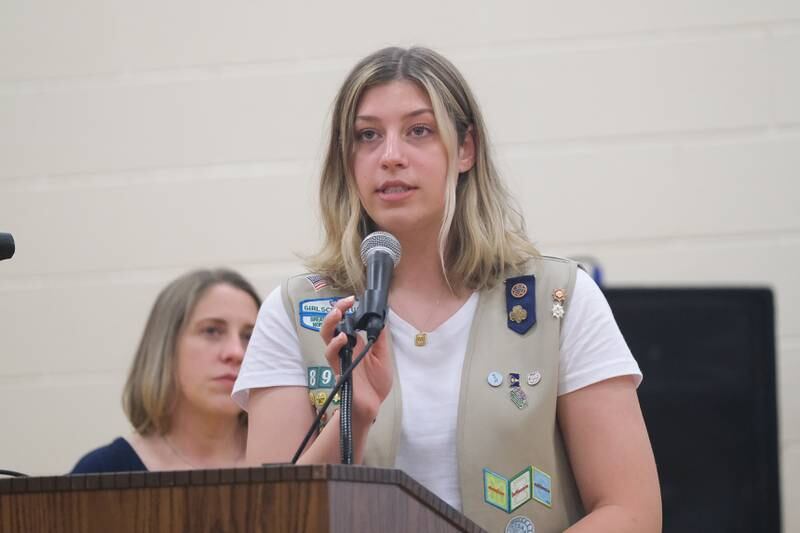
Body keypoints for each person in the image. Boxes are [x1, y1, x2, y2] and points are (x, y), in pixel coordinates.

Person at [233, 47, 661, 533]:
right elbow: (264, 519)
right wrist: (354, 419)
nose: (390, 156)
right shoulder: (295, 311)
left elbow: (631, 512)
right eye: (367, 135)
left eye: (419, 130)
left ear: (465, 149)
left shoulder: (558, 298)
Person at [71, 269, 260, 473]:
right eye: (212, 331)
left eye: (249, 336)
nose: (236, 352)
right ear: (165, 347)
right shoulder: (102, 471)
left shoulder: (288, 460)